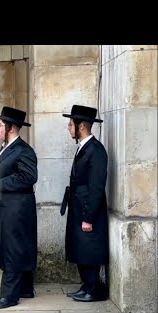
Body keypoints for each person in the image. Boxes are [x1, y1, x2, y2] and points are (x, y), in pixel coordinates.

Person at [0, 107, 38, 310]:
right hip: (7, 207)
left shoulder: (24, 150)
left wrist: (2, 184)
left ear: (10, 128)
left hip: (17, 209)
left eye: (0, 125)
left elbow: (29, 177)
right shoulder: (6, 147)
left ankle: (9, 296)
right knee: (18, 247)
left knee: (13, 250)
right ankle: (25, 288)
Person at [61, 105, 109, 302]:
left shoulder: (96, 150)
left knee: (89, 250)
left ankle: (93, 289)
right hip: (78, 208)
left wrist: (88, 217)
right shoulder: (83, 147)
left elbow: (96, 186)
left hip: (88, 211)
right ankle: (86, 285)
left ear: (81, 126)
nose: (68, 128)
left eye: (71, 124)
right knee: (81, 249)